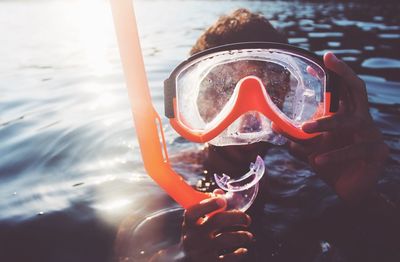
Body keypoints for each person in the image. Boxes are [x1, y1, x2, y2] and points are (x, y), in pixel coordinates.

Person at [141, 8, 395, 262]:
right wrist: (185, 257)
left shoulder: (306, 171)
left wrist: (365, 200)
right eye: (226, 87)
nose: (250, 115)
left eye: (271, 87)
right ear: (197, 101)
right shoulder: (163, 187)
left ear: (286, 94)